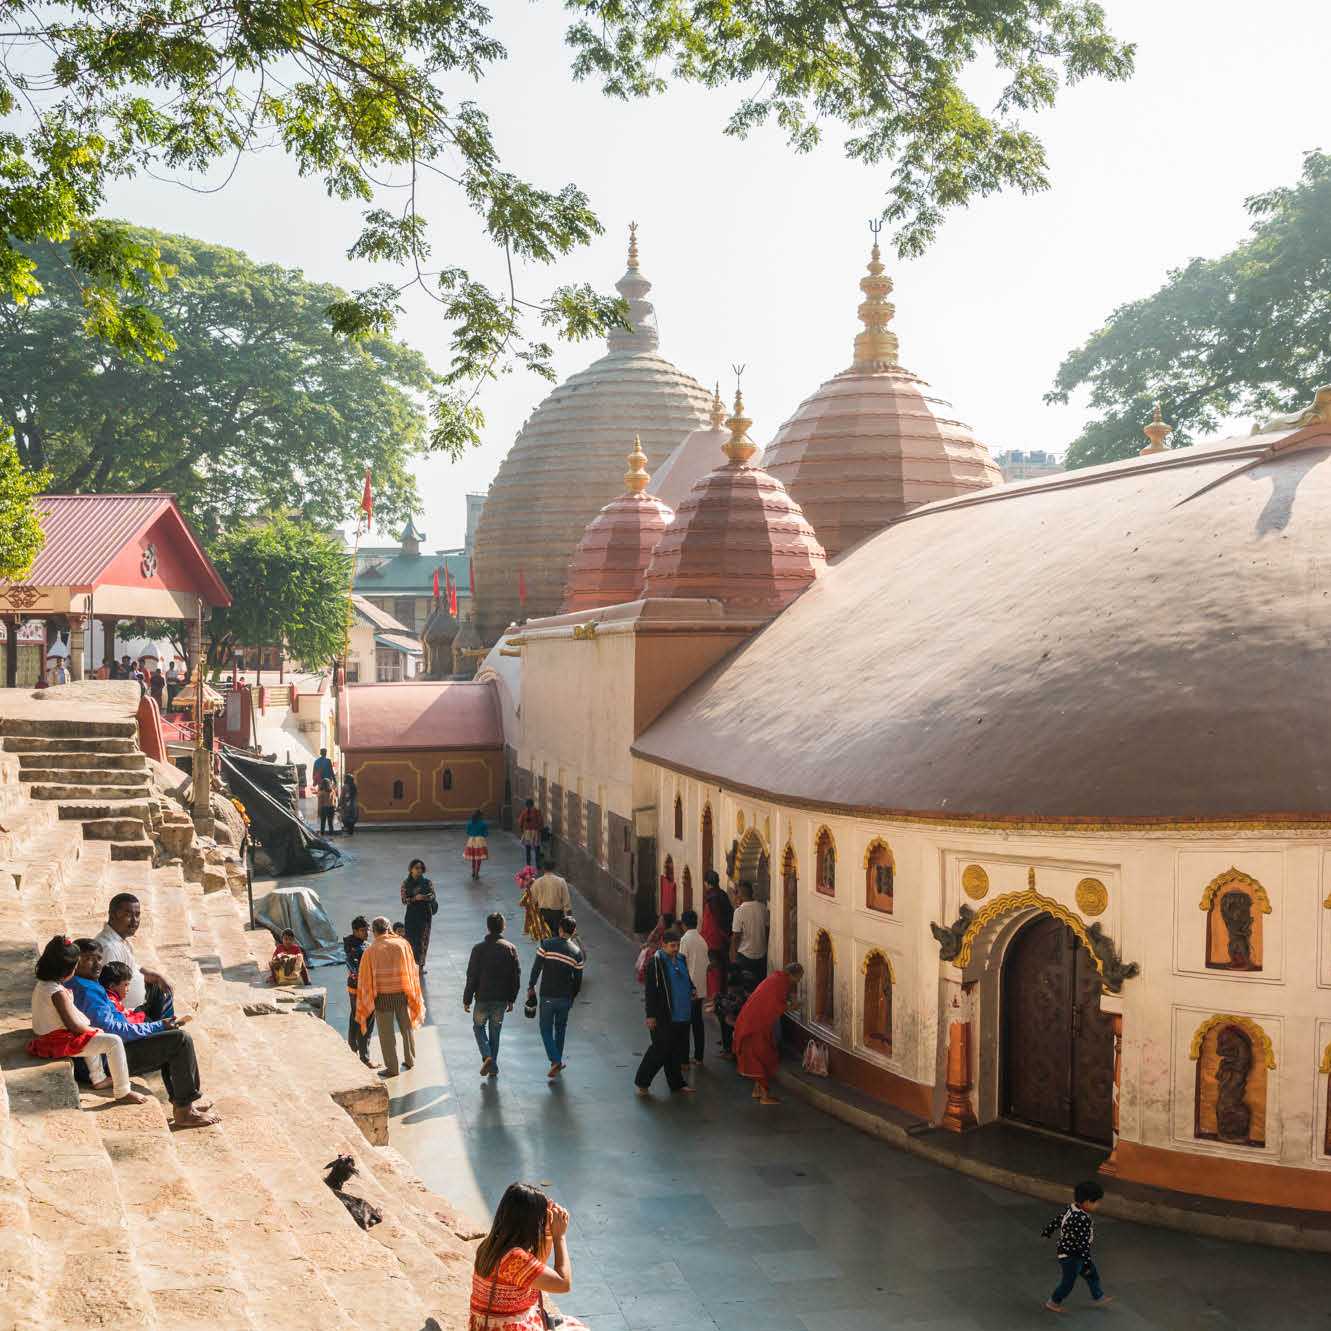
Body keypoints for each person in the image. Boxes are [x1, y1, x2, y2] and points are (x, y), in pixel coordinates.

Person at [69, 946, 219, 1129]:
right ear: (75, 963)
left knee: (168, 1038)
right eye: (89, 959)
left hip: (103, 1053)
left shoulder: (84, 984)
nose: (97, 964)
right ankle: (184, 1111)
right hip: (104, 1060)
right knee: (179, 1041)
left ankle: (183, 1100)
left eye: (99, 959)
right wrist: (157, 1025)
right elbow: (112, 1029)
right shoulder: (87, 991)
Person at [27, 937, 147, 1106]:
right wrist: (92, 1030)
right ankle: (123, 1091)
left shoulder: (45, 984)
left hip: (46, 1035)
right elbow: (74, 1027)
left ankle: (98, 1079)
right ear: (67, 971)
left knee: (92, 1032)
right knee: (113, 1041)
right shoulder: (57, 993)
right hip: (55, 1041)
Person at [469, 1182, 587, 1331]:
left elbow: (536, 1268)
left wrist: (548, 1234)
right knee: (577, 1328)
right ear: (531, 1221)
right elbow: (563, 1284)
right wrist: (560, 1237)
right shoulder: (515, 1258)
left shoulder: (492, 1245)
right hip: (508, 1327)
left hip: (490, 1325)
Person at [355, 916, 423, 1078]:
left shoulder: (370, 951)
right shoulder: (402, 944)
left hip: (382, 998)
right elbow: (412, 969)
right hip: (402, 994)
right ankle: (410, 1059)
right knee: (406, 1029)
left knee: (386, 1035)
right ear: (388, 928)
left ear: (374, 931)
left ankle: (392, 1068)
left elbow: (364, 978)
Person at [634, 929, 695, 1097]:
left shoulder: (681, 959)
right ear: (663, 945)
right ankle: (642, 1082)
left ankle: (677, 1084)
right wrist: (651, 1015)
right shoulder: (656, 963)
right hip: (663, 1015)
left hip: (682, 1014)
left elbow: (686, 979)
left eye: (677, 945)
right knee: (659, 1050)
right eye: (672, 946)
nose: (675, 949)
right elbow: (651, 992)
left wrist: (692, 989)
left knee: (674, 1051)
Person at [94, 893, 175, 1021]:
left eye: (137, 915)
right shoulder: (109, 948)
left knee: (161, 987)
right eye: (128, 914)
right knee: (178, 1037)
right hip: (128, 1014)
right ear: (113, 914)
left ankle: (163, 1026)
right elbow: (110, 992)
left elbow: (132, 967)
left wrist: (155, 976)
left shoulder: (121, 939)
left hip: (140, 1003)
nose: (134, 920)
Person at [731, 963, 803, 1104]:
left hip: (752, 1022)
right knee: (763, 1056)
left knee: (761, 1054)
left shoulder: (776, 979)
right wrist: (792, 1006)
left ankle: (757, 1090)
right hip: (754, 1026)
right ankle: (764, 1096)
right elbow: (775, 1005)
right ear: (792, 975)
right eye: (799, 977)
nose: (799, 980)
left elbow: (771, 1001)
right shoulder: (780, 983)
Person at [463, 912, 521, 1077]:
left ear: (488, 927)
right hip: (501, 999)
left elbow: (472, 975)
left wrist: (467, 999)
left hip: (482, 997)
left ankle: (487, 1056)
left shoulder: (478, 949)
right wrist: (512, 998)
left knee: (478, 1027)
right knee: (495, 1031)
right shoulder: (510, 949)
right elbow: (515, 976)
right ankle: (493, 1067)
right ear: (503, 927)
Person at [527, 916, 585, 1080]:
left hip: (547, 996)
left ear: (560, 929)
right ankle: (557, 1062)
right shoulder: (577, 953)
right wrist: (571, 998)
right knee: (560, 1029)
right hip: (565, 998)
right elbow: (578, 981)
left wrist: (531, 986)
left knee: (545, 1029)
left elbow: (536, 968)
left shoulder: (546, 945)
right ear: (573, 932)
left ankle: (555, 1061)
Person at [1042, 1180, 1113, 1312]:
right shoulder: (1082, 1219)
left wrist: (1048, 1231)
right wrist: (1086, 1263)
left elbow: (1059, 1219)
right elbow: (1082, 1244)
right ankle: (1053, 1302)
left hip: (1070, 1251)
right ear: (1086, 1202)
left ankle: (1099, 1296)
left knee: (1092, 1275)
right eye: (1096, 1202)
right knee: (1068, 1283)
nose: (1098, 1205)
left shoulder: (1072, 1207)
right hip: (1072, 1256)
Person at [678, 909, 709, 1065]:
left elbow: (681, 962)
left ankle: (684, 1060)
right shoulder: (702, 940)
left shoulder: (685, 940)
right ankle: (699, 1057)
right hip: (701, 987)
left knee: (684, 1023)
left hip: (688, 987)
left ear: (683, 924)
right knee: (697, 1022)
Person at [343, 916, 375, 1064]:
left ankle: (352, 1048)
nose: (366, 933)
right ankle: (364, 1057)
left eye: (367, 930)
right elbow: (353, 967)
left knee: (356, 1017)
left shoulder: (354, 944)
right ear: (355, 931)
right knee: (365, 1019)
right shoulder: (356, 948)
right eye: (363, 930)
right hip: (361, 988)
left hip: (354, 987)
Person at [714, 963, 760, 1061]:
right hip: (747, 1013)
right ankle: (727, 1046)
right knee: (723, 1012)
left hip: (751, 1018)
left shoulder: (745, 986)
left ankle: (729, 1050)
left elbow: (738, 1004)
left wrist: (720, 1003)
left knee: (725, 1017)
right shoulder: (743, 979)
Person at [700, 869, 734, 999]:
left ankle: (715, 999)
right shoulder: (723, 895)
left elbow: (717, 919)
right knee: (723, 970)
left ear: (707, 883)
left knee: (714, 971)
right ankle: (722, 997)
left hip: (713, 940)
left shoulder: (712, 898)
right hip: (723, 939)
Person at [730, 881, 769, 988]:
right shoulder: (763, 908)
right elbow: (767, 930)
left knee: (744, 987)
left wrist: (733, 957)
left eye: (736, 893)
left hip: (745, 956)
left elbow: (736, 937)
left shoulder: (739, 911)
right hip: (762, 954)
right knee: (759, 988)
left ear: (740, 895)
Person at [400, 858, 437, 971]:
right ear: (411, 869)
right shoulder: (405, 884)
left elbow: (433, 896)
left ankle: (421, 966)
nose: (419, 870)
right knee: (410, 939)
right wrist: (415, 898)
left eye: (421, 868)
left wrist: (424, 897)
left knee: (423, 940)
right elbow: (404, 900)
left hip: (425, 914)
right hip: (412, 915)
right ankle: (410, 964)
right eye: (416, 868)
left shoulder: (427, 882)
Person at [530, 862, 572, 940]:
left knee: (544, 937)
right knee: (558, 937)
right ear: (554, 868)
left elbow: (532, 901)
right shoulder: (561, 881)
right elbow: (567, 902)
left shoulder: (537, 882)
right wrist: (570, 918)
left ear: (543, 869)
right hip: (557, 915)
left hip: (543, 914)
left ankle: (545, 951)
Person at [635, 912, 675, 984]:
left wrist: (649, 946)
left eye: (661, 921)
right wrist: (656, 928)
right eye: (659, 920)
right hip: (656, 956)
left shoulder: (668, 934)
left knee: (647, 953)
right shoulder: (660, 931)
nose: (659, 922)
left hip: (662, 959)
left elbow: (660, 947)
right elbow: (649, 939)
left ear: (666, 923)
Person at [516, 798, 544, 867]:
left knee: (527, 849)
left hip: (527, 832)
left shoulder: (524, 812)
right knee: (537, 849)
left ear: (526, 805)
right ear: (533, 804)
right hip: (535, 832)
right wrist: (539, 829)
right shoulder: (537, 811)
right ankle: (538, 865)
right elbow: (541, 822)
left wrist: (522, 831)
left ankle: (528, 865)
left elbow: (520, 822)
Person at [464, 808, 489, 880]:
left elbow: (468, 832)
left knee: (473, 858)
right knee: (479, 858)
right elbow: (486, 833)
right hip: (480, 841)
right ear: (480, 816)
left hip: (471, 841)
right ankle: (477, 873)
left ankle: (473, 872)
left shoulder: (470, 823)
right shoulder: (483, 824)